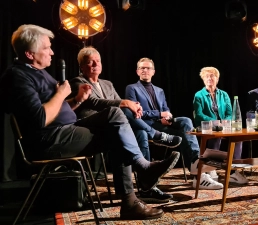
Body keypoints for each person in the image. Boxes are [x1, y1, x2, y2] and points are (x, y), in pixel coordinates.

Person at [0, 24, 180, 220]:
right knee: (117, 131)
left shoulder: (36, 71)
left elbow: (57, 108)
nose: (51, 52)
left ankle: (139, 179)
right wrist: (61, 94)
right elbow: (40, 118)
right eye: (46, 48)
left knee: (115, 117)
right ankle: (138, 184)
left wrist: (76, 100)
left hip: (65, 130)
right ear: (29, 53)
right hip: (49, 140)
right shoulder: (18, 77)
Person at [69, 46, 182, 203]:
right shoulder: (77, 82)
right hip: (92, 128)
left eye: (98, 61)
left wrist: (134, 107)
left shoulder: (107, 84)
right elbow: (94, 102)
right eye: (90, 62)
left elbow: (119, 104)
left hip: (114, 127)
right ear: (81, 66)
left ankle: (146, 187)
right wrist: (127, 103)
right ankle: (156, 136)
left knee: (139, 132)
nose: (95, 64)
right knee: (122, 111)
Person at [125, 57, 220, 189]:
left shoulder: (159, 90)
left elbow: (166, 109)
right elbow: (135, 112)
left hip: (162, 124)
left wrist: (168, 117)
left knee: (186, 122)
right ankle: (198, 175)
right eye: (142, 68)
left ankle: (198, 170)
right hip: (147, 126)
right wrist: (159, 115)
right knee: (181, 133)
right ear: (137, 71)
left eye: (148, 68)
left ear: (153, 72)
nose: (145, 70)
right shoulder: (132, 88)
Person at [193, 66, 248, 184]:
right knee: (215, 136)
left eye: (212, 76)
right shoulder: (199, 95)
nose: (209, 79)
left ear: (217, 79)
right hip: (207, 127)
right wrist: (216, 123)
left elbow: (230, 113)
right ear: (203, 79)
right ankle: (211, 168)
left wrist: (224, 123)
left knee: (238, 138)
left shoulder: (224, 95)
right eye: (207, 76)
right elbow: (199, 115)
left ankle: (233, 171)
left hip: (224, 127)